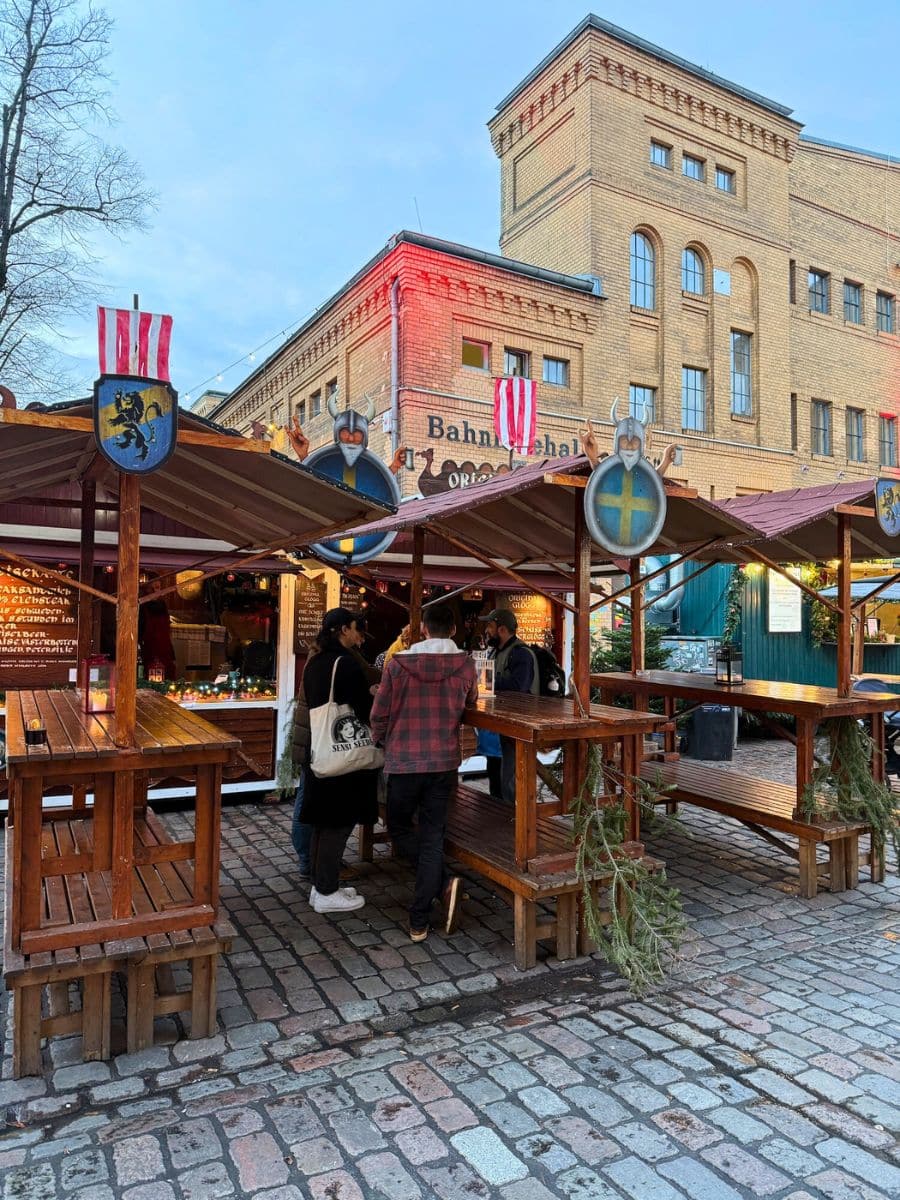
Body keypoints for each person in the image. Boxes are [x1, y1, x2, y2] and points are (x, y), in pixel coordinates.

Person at [370, 604, 477, 942]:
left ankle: (439, 890)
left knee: (398, 826)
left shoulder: (398, 664)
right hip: (443, 762)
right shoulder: (465, 665)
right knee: (432, 836)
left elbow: (379, 713)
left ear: (425, 630)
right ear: (454, 631)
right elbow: (471, 704)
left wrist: (381, 740)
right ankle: (422, 913)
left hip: (403, 761)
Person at [299, 607, 379, 914]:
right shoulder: (343, 664)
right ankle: (328, 891)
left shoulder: (317, 660)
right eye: (357, 629)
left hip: (321, 752)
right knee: (338, 823)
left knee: (323, 822)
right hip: (344, 757)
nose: (360, 636)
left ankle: (321, 887)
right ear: (343, 628)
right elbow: (361, 708)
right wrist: (373, 693)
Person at [481, 608, 539, 804]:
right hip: (498, 725)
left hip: (517, 727)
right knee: (496, 772)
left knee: (510, 778)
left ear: (502, 629)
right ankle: (497, 813)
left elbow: (518, 687)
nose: (486, 630)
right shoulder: (496, 652)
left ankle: (514, 821)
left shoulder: (521, 654)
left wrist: (488, 683)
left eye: (490, 626)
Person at [138, 577, 177, 679]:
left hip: (165, 650)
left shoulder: (162, 604)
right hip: (149, 650)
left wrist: (172, 654)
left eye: (159, 587)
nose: (158, 590)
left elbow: (166, 632)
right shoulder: (142, 606)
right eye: (155, 587)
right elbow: (140, 632)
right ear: (148, 590)